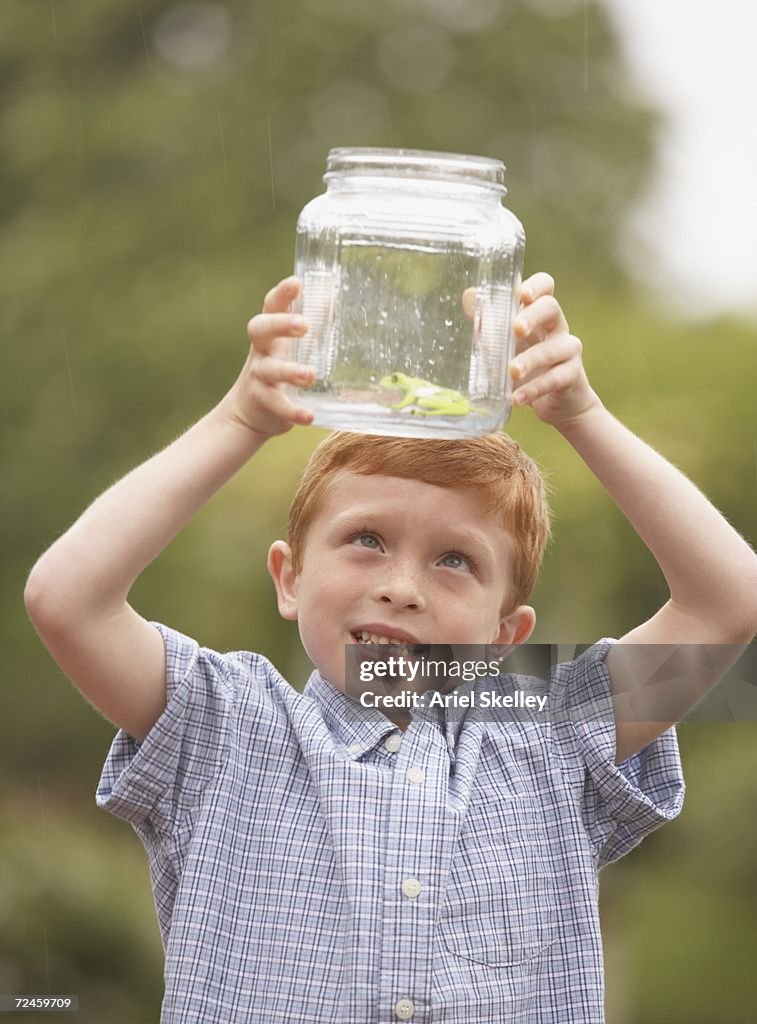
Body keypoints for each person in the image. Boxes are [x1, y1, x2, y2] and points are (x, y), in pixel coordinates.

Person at [24, 272, 757, 1023]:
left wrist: (581, 415)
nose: (403, 587)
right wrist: (240, 419)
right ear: (290, 579)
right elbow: (67, 600)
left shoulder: (548, 725)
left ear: (505, 639)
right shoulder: (225, 724)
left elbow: (726, 602)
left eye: (454, 560)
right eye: (366, 540)